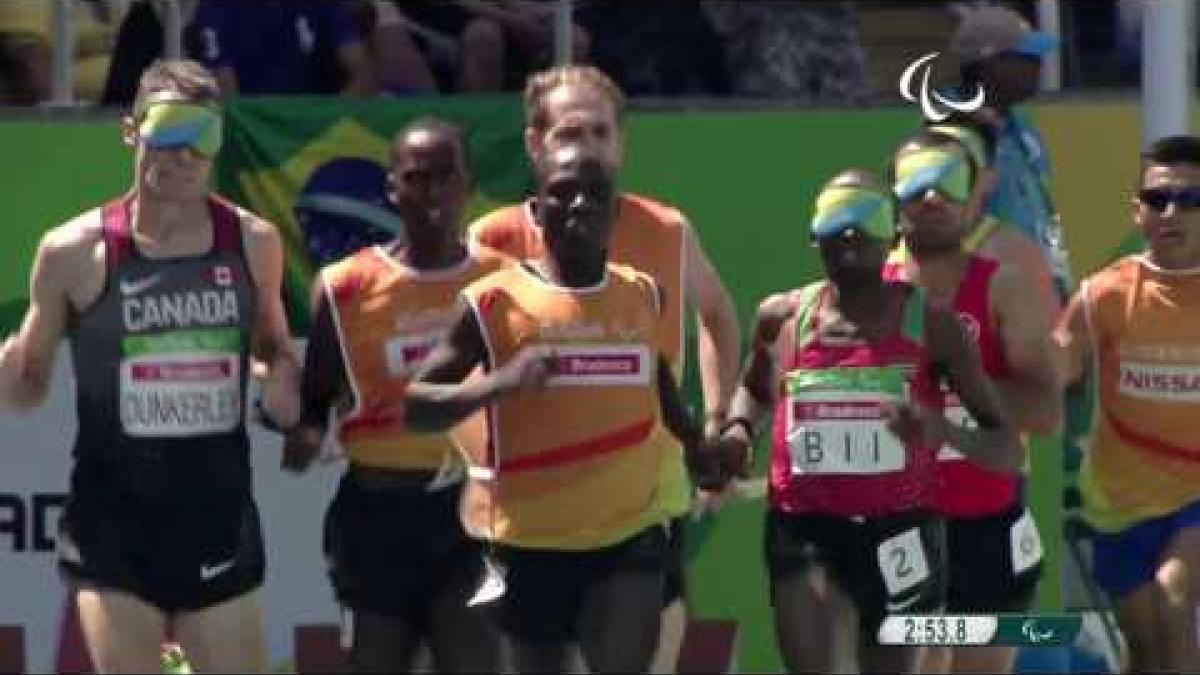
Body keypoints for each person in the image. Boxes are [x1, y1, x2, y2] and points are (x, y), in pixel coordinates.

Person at [0, 59, 300, 673]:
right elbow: (27, 393)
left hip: (217, 518)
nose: (185, 155)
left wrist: (284, 385)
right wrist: (10, 372)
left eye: (204, 137)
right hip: (113, 530)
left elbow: (273, 349)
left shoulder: (253, 242)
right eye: (169, 131)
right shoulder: (71, 252)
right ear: (132, 132)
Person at [405, 144, 738, 673]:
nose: (578, 205)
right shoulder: (491, 302)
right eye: (560, 194)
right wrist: (499, 384)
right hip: (530, 543)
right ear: (536, 212)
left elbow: (658, 383)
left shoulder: (642, 293)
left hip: (629, 534)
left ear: (614, 212)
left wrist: (697, 445)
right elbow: (418, 407)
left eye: (595, 195)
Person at [718, 169, 1023, 673]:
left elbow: (1005, 447)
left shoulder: (932, 324)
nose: (852, 232)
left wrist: (941, 430)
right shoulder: (781, 316)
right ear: (814, 235)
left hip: (903, 531)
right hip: (805, 526)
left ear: (895, 237)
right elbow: (753, 391)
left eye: (868, 217)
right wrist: (737, 431)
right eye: (837, 218)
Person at [281, 118, 507, 673]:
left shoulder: (504, 280)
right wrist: (303, 430)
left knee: (473, 658)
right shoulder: (345, 286)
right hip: (378, 514)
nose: (431, 192)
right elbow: (316, 402)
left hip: (471, 515)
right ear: (391, 189)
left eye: (445, 177)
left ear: (467, 185)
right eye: (416, 178)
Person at [887, 127, 1061, 674]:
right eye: (916, 183)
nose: (932, 196)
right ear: (894, 196)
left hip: (983, 521)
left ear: (976, 191)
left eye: (948, 182)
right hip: (892, 524)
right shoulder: (867, 285)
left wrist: (959, 380)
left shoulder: (1002, 283)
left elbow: (1046, 410)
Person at [1054, 135, 1200, 673]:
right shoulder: (1102, 296)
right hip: (1117, 500)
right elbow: (1054, 376)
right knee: (1143, 645)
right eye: (1158, 200)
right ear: (1136, 211)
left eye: (1190, 200)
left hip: (1197, 496)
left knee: (1174, 603)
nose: (1172, 213)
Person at [950, 3, 1069, 302]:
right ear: (988, 64)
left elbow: (1040, 217)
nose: (1038, 65)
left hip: (1038, 293)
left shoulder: (1022, 129)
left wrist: (1059, 285)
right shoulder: (948, 133)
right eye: (1026, 57)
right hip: (985, 297)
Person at [186, 0, 376, 96]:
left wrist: (326, 119)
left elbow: (364, 75)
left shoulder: (325, 4)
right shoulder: (216, 8)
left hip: (320, 128)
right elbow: (228, 97)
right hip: (254, 134)